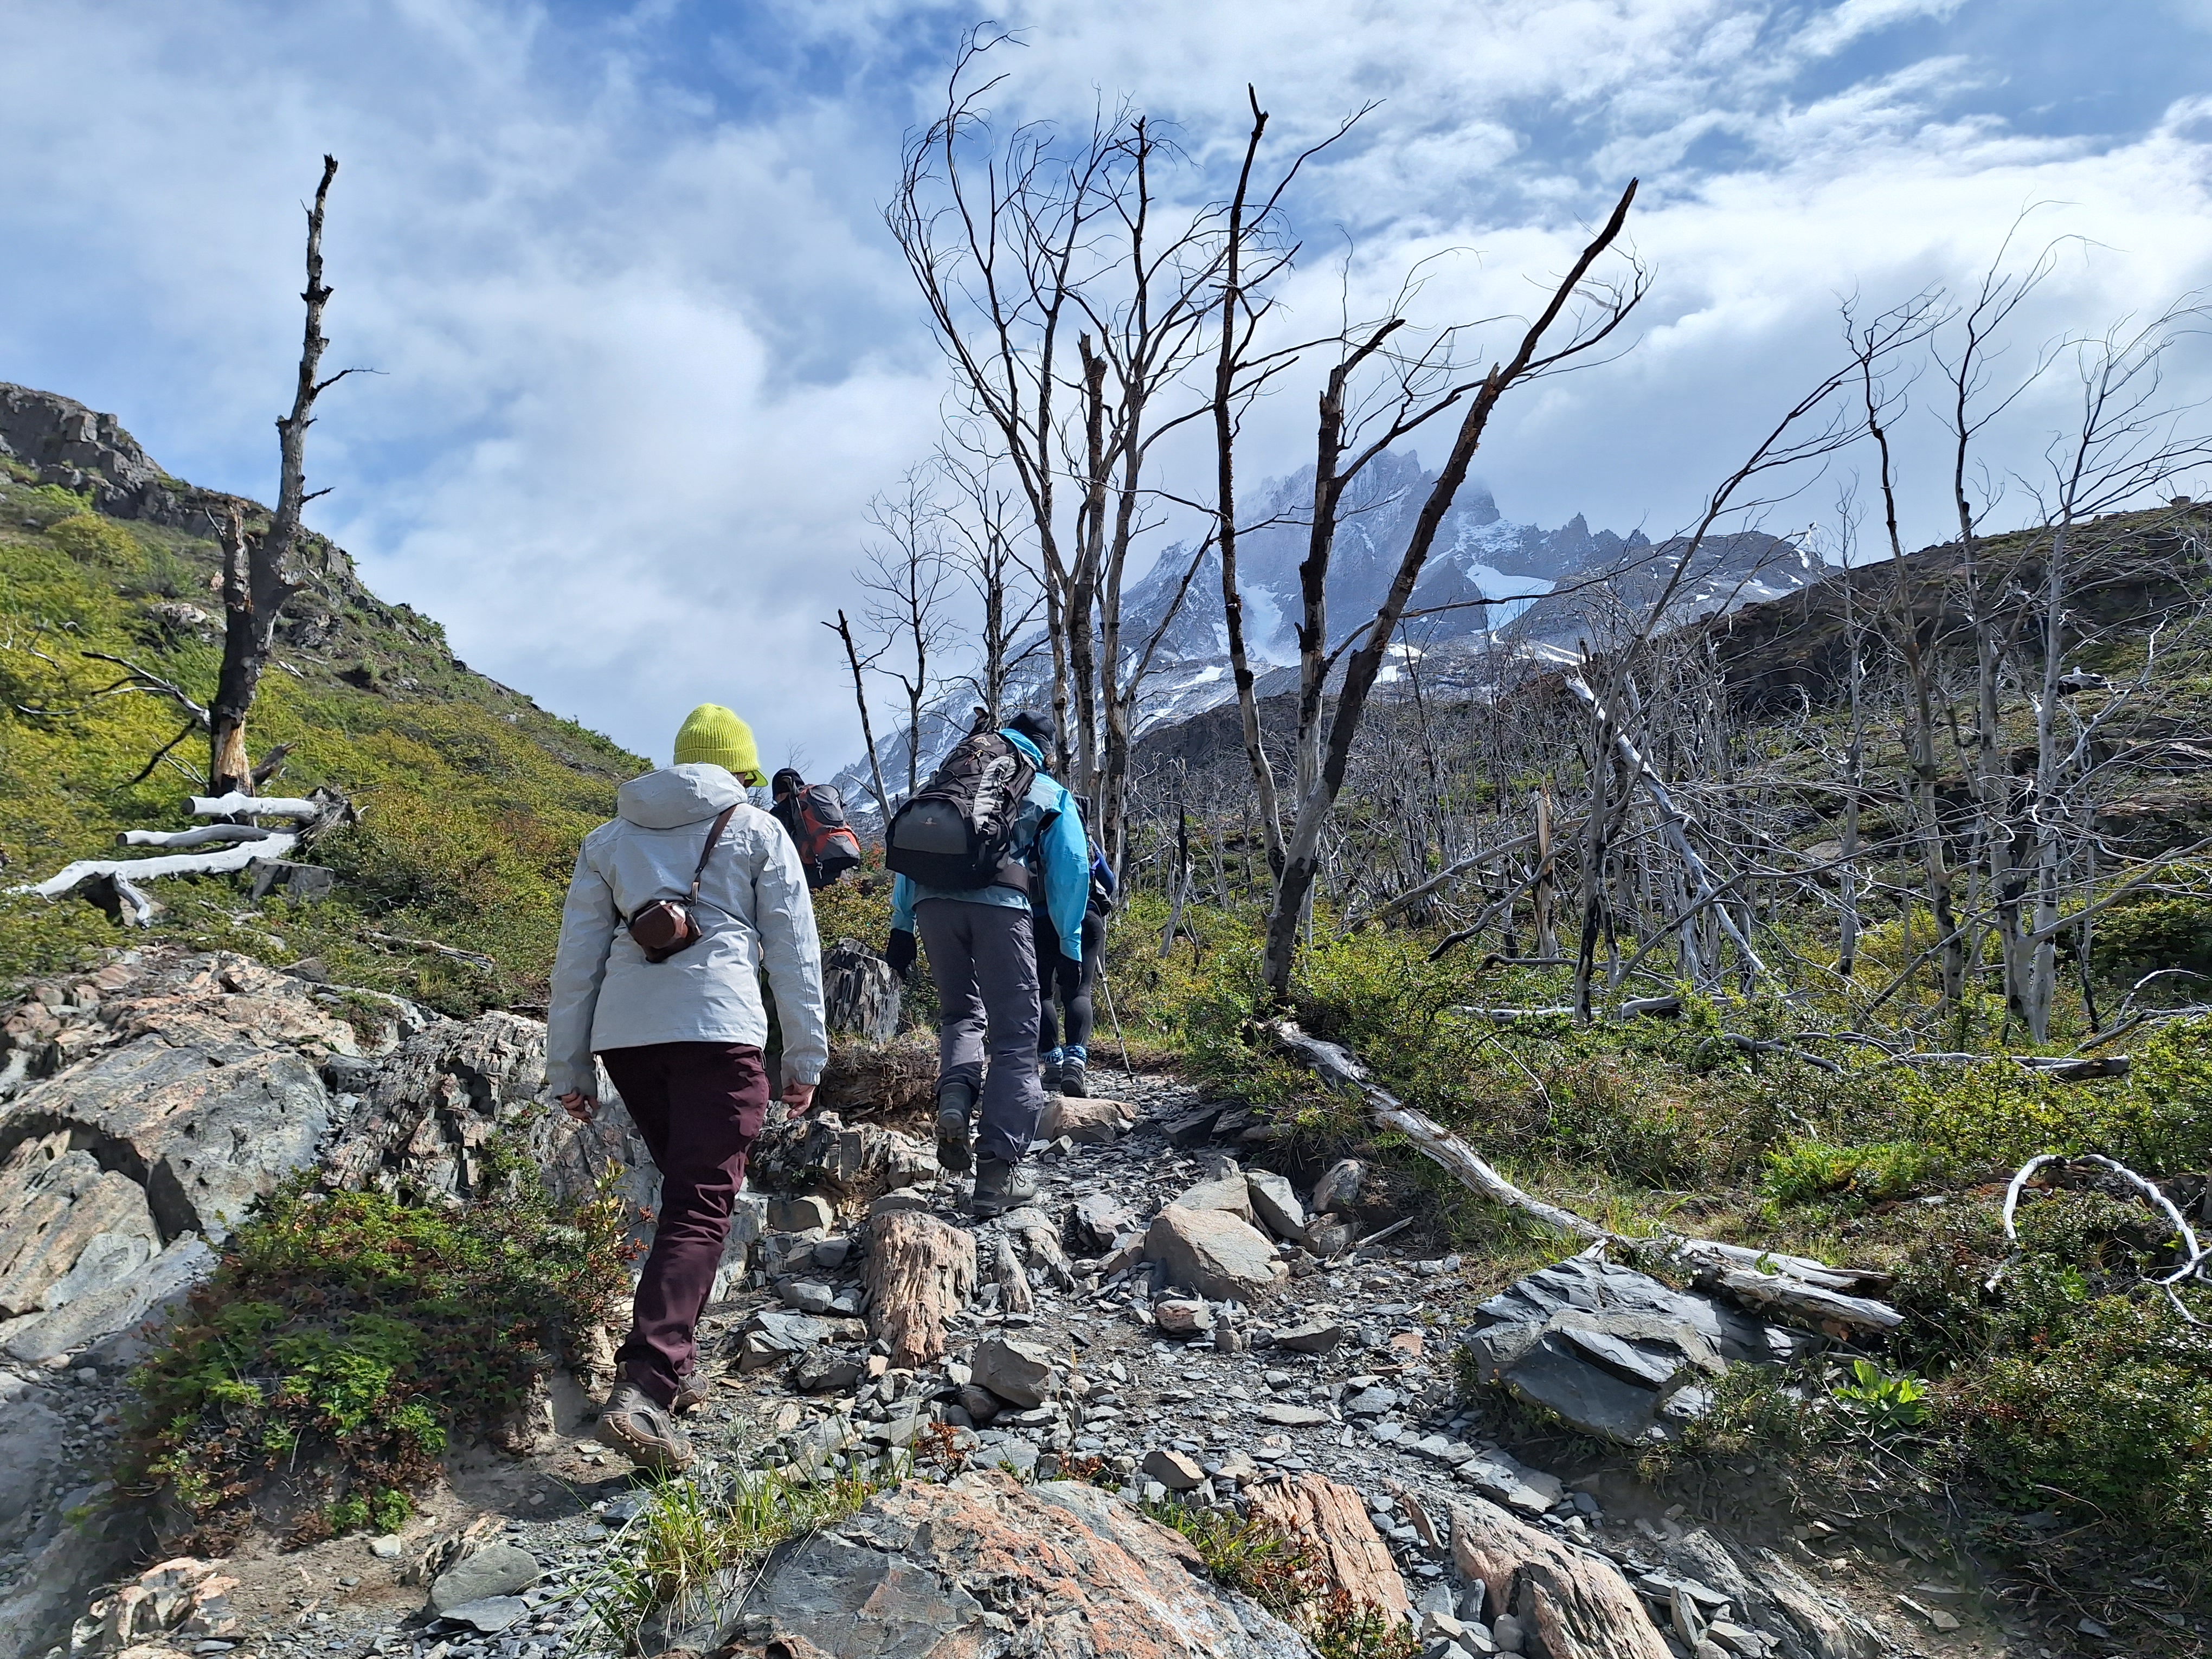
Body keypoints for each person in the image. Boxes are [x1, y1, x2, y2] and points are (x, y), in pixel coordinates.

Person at [546, 702, 826, 1474]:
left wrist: (568, 1067)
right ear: (742, 771)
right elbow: (795, 953)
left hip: (628, 1041)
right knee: (704, 1203)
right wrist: (805, 1058)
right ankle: (645, 1385)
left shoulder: (609, 839)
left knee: (685, 1196)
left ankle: (679, 1362)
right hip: (719, 1034)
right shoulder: (757, 830)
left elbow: (576, 961)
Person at [884, 710, 1088, 1217]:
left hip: (931, 907)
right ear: (1045, 750)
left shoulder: (955, 774)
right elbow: (1073, 869)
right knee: (1016, 1034)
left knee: (960, 1015)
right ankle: (998, 1173)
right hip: (1001, 908)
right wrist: (1070, 942)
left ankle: (955, 1097)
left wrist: (901, 925)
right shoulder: (1044, 788)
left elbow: (917, 851)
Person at [1037, 801, 1114, 1097]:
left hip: (1041, 920)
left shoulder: (1034, 836)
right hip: (1087, 917)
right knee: (1079, 992)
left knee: (1043, 992)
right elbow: (1109, 882)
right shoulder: (1085, 841)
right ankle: (1075, 1064)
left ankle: (1052, 1064)